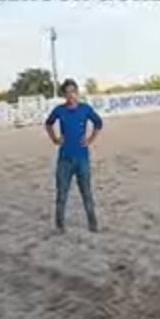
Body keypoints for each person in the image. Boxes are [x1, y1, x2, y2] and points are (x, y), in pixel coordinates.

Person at [44, 78, 103, 232]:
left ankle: (93, 223)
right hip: (64, 159)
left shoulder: (85, 109)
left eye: (74, 92)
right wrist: (55, 139)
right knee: (62, 194)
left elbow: (98, 123)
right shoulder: (59, 110)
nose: (71, 95)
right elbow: (48, 123)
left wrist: (90, 139)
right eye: (68, 92)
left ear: (78, 93)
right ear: (64, 94)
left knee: (86, 193)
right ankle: (60, 225)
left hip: (82, 158)